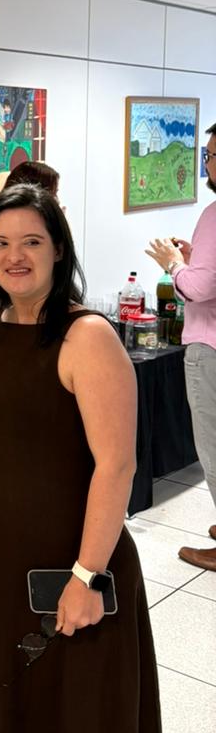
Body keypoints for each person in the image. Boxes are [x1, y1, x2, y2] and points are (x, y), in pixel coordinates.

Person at [0, 183, 164, 733]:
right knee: (34, 712)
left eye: (31, 241)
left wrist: (85, 576)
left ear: (58, 250)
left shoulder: (86, 335)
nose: (15, 255)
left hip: (73, 563)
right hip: (6, 559)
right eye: (0, 242)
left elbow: (117, 464)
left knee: (75, 718)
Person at [146, 118, 216, 571]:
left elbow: (197, 290)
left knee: (213, 446)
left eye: (209, 156)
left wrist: (175, 265)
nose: (205, 164)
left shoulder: (214, 214)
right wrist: (194, 259)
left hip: (210, 348)